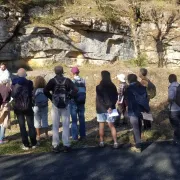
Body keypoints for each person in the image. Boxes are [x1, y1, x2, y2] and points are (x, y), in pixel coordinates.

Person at [44, 66, 78, 153]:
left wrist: (51, 98)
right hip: (65, 104)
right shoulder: (67, 80)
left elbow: (45, 90)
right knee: (66, 125)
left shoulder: (52, 81)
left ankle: (55, 145)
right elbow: (75, 89)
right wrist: (69, 97)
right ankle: (66, 145)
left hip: (55, 104)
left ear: (55, 72)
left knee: (55, 125)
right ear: (63, 71)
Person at [11, 68, 37, 150]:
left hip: (18, 107)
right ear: (25, 75)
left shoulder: (14, 83)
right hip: (28, 105)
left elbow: (13, 95)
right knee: (31, 125)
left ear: (17, 75)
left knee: (22, 126)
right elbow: (31, 93)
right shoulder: (29, 83)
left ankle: (26, 144)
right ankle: (34, 143)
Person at [126, 74, 150, 152]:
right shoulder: (143, 87)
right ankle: (138, 143)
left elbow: (127, 100)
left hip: (133, 110)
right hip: (142, 110)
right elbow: (147, 98)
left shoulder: (128, 88)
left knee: (136, 128)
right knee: (139, 127)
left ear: (129, 80)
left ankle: (138, 146)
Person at [96, 71, 118, 149]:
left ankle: (101, 142)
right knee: (112, 126)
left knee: (101, 126)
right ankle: (115, 142)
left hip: (101, 109)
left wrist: (106, 107)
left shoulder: (99, 87)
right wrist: (110, 106)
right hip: (111, 109)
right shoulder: (113, 86)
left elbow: (100, 99)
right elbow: (116, 97)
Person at [70, 67, 86, 141]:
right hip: (82, 101)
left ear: (72, 73)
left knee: (74, 120)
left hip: (73, 102)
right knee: (82, 119)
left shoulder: (71, 81)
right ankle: (83, 136)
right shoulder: (83, 80)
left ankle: (75, 137)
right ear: (78, 72)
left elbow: (70, 92)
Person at [33, 76, 49, 143]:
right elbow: (48, 97)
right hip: (44, 106)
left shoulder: (34, 90)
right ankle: (46, 135)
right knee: (45, 120)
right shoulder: (45, 89)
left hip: (36, 106)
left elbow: (32, 98)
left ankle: (38, 135)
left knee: (37, 121)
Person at [168, 74, 180, 145]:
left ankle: (176, 140)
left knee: (176, 126)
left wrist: (168, 101)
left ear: (170, 79)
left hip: (174, 109)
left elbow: (171, 98)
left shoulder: (172, 86)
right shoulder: (179, 85)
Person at [0, 79, 11, 144]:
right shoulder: (8, 89)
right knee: (4, 123)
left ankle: (1, 137)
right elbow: (9, 98)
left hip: (0, 106)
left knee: (0, 122)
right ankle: (1, 139)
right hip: (5, 106)